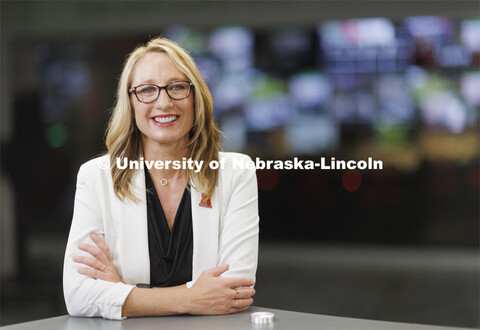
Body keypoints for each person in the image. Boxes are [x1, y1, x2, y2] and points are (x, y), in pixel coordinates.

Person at [63, 37, 259, 320]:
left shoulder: (236, 173)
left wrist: (124, 292)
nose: (163, 102)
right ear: (130, 102)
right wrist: (192, 298)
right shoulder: (96, 177)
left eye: (177, 87)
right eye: (147, 90)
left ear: (195, 97)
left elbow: (234, 291)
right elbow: (78, 295)